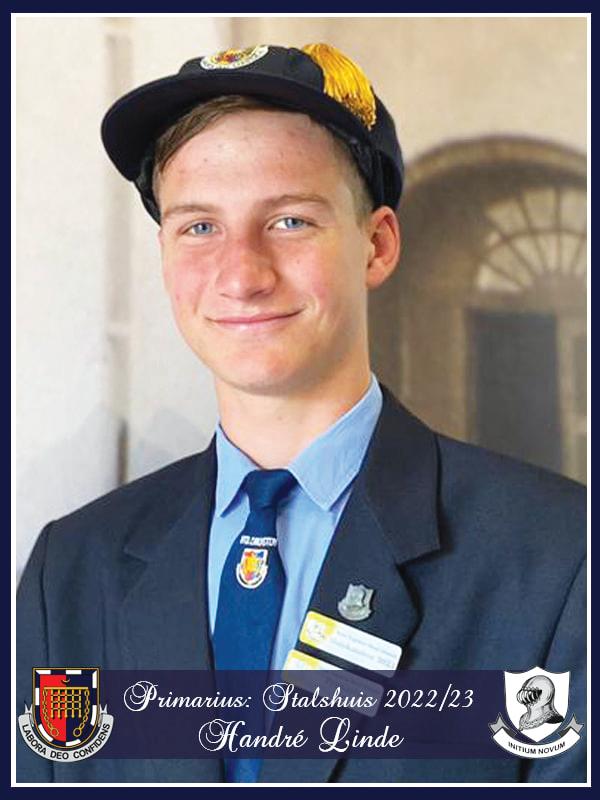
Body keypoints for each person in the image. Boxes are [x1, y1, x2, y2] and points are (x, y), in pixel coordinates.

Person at [16, 43, 586, 784]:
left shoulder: (559, 556)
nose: (242, 274)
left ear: (377, 245)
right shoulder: (71, 570)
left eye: (289, 221)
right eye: (199, 227)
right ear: (164, 253)